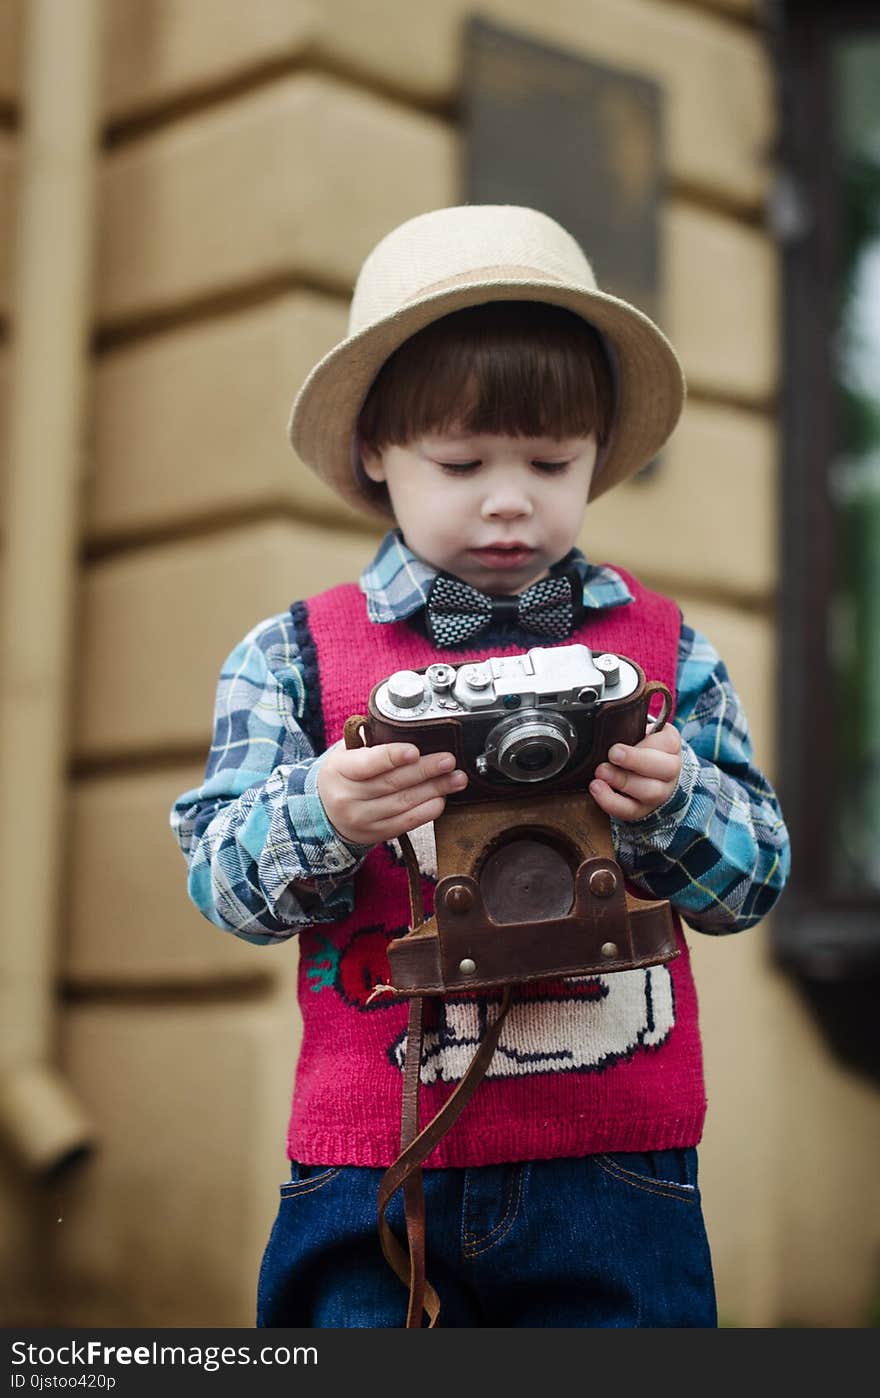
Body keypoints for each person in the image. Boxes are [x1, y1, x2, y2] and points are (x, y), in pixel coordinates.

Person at [170, 204, 790, 1329]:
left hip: (615, 1162)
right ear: (375, 452)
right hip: (371, 1161)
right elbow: (221, 886)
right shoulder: (293, 657)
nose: (509, 498)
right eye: (460, 461)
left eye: (551, 462)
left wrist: (675, 802)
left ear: (598, 456)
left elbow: (752, 885)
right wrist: (325, 810)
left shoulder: (665, 651)